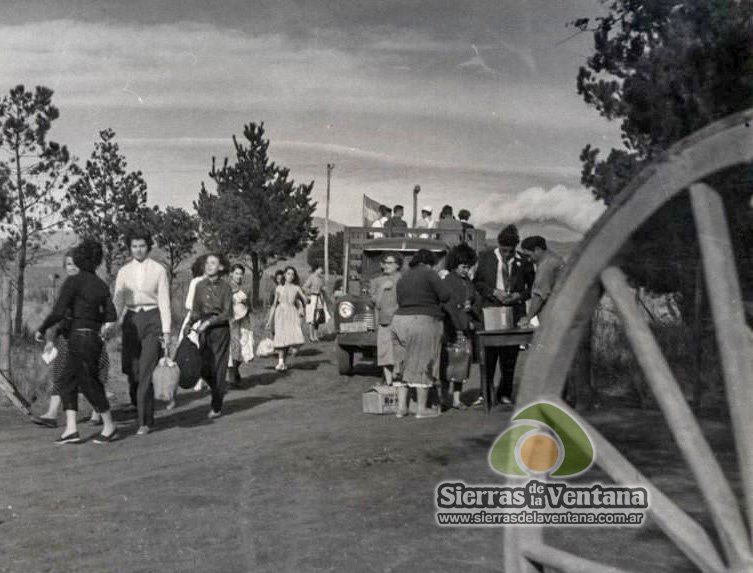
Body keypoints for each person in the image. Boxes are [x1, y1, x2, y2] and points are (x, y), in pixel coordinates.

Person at [35, 239, 118, 444]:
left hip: (77, 337)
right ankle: (71, 430)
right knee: (66, 379)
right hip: (91, 338)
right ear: (97, 261)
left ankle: (110, 426)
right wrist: (97, 325)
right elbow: (112, 314)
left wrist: (42, 328)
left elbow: (58, 312)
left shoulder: (73, 281)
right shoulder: (101, 285)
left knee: (89, 383)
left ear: (80, 258)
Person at [113, 229, 172, 436]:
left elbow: (164, 302)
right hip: (130, 321)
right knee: (133, 372)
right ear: (130, 248)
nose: (138, 250)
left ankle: (144, 422)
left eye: (142, 246)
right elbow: (118, 300)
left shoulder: (158, 270)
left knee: (146, 371)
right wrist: (110, 324)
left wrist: (166, 333)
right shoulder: (123, 271)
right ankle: (144, 411)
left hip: (152, 320)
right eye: (134, 246)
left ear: (148, 247)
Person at [473, 225, 534, 406]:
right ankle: (486, 393)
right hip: (491, 310)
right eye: (504, 250)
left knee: (510, 356)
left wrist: (519, 296)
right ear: (499, 245)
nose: (507, 255)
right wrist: (493, 292)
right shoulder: (486, 258)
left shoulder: (524, 261)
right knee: (489, 355)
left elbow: (532, 288)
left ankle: (504, 393)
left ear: (516, 248)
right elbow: (477, 282)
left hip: (513, 311)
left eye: (510, 251)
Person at [392, 249, 450, 418]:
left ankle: (401, 408)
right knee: (422, 362)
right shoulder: (429, 273)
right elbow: (445, 296)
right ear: (430, 262)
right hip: (421, 321)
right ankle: (422, 409)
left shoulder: (403, 276)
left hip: (399, 321)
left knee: (402, 364)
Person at [184, 254, 233, 419]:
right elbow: (196, 310)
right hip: (203, 331)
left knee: (218, 367)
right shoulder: (199, 286)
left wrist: (210, 322)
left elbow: (228, 313)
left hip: (220, 330)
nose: (209, 265)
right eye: (207, 263)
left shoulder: (226, 287)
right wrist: (189, 324)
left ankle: (216, 405)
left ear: (220, 267)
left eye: (213, 263)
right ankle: (218, 389)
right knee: (204, 368)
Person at [441, 243, 480, 410]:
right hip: (450, 328)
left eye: (468, 267)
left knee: (462, 365)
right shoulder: (448, 281)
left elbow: (475, 300)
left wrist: (471, 307)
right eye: (463, 266)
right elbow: (447, 306)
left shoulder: (467, 281)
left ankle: (456, 399)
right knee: (447, 364)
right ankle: (444, 397)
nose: (466, 270)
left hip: (465, 328)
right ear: (455, 264)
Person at [518, 236, 566, 328]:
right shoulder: (555, 259)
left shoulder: (546, 266)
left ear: (537, 249)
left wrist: (528, 318)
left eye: (529, 255)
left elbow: (539, 295)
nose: (528, 259)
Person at [266, 266, 308, 371]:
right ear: (284, 274)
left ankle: (284, 362)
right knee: (281, 337)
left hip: (292, 313)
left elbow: (304, 298)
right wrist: (269, 320)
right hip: (280, 313)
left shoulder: (296, 288)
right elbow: (274, 305)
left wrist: (307, 299)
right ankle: (280, 362)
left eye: (293, 274)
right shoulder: (279, 288)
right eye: (288, 273)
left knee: (291, 338)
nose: (290, 276)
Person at [370, 252, 403, 386]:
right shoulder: (377, 281)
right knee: (384, 354)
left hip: (400, 322)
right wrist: (382, 289)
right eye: (385, 263)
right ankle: (389, 383)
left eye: (390, 263)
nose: (386, 266)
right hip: (384, 322)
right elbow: (376, 304)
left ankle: (399, 382)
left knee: (399, 354)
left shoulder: (403, 280)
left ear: (397, 265)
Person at [182, 254, 209, 394]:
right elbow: (189, 303)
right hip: (196, 318)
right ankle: (196, 378)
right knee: (195, 349)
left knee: (209, 350)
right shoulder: (196, 282)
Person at [228, 263, 254, 386]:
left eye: (241, 274)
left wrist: (247, 306)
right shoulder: (227, 287)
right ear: (231, 274)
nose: (239, 276)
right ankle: (232, 377)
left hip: (244, 320)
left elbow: (251, 305)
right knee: (234, 346)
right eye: (236, 273)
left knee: (246, 345)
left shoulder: (246, 287)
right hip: (232, 320)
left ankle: (236, 371)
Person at [303, 264, 329, 343]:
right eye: (320, 269)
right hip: (312, 298)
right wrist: (312, 292)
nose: (321, 271)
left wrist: (323, 289)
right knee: (311, 318)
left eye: (322, 269)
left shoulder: (321, 278)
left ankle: (316, 336)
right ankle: (311, 336)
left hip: (319, 299)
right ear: (316, 269)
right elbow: (304, 287)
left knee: (318, 318)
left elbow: (321, 288)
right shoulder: (311, 277)